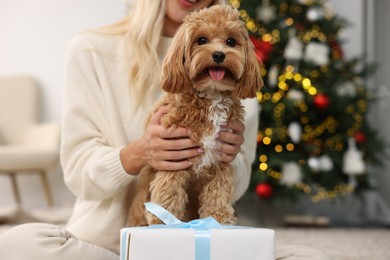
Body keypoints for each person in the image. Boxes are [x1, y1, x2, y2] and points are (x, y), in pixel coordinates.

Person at [0, 0, 332, 259]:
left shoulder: (235, 78)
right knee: (18, 244)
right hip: (111, 247)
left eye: (228, 43)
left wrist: (230, 157)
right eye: (202, 42)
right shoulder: (91, 50)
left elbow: (236, 184)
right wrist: (138, 153)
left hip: (201, 245)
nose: (218, 51)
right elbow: (77, 172)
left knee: (313, 256)